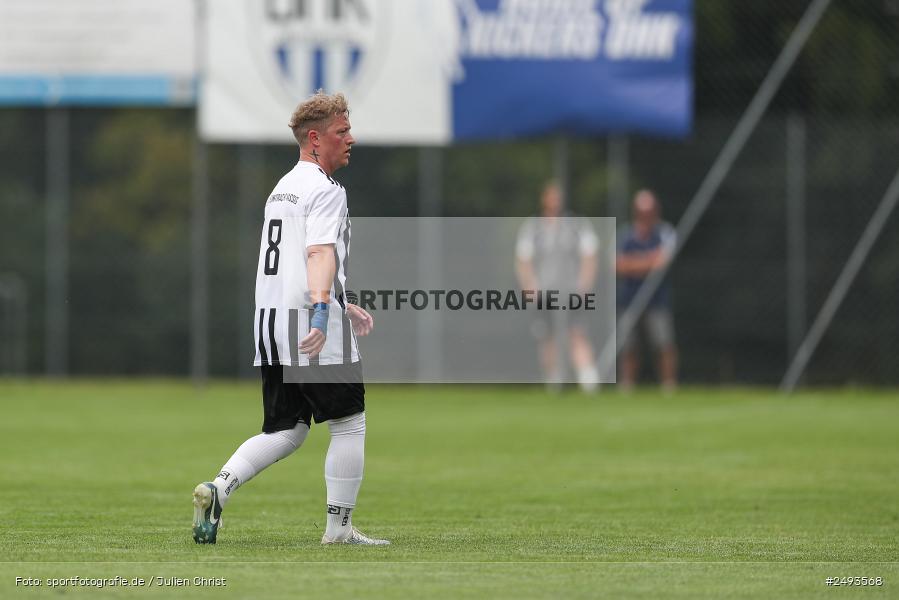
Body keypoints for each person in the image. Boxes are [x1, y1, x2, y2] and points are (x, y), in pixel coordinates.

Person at [191, 91, 389, 546]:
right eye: (342, 131)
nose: (350, 138)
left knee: (286, 429)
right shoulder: (326, 188)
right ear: (315, 140)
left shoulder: (283, 187)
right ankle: (338, 530)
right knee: (349, 423)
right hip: (308, 321)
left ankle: (217, 489)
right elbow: (318, 252)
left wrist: (342, 299)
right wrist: (323, 311)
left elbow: (300, 259)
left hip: (271, 321)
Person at [515, 180, 600, 392]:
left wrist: (584, 285)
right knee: (548, 336)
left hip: (571, 290)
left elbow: (589, 255)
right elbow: (523, 259)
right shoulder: (533, 227)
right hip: (545, 291)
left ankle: (588, 379)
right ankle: (554, 378)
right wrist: (529, 286)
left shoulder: (578, 225)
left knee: (576, 332)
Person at [616, 189, 678, 392]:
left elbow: (661, 262)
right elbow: (617, 265)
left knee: (663, 344)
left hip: (657, 299)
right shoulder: (625, 235)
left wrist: (633, 263)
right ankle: (627, 386)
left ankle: (669, 386)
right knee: (628, 346)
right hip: (629, 298)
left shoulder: (665, 232)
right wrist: (647, 261)